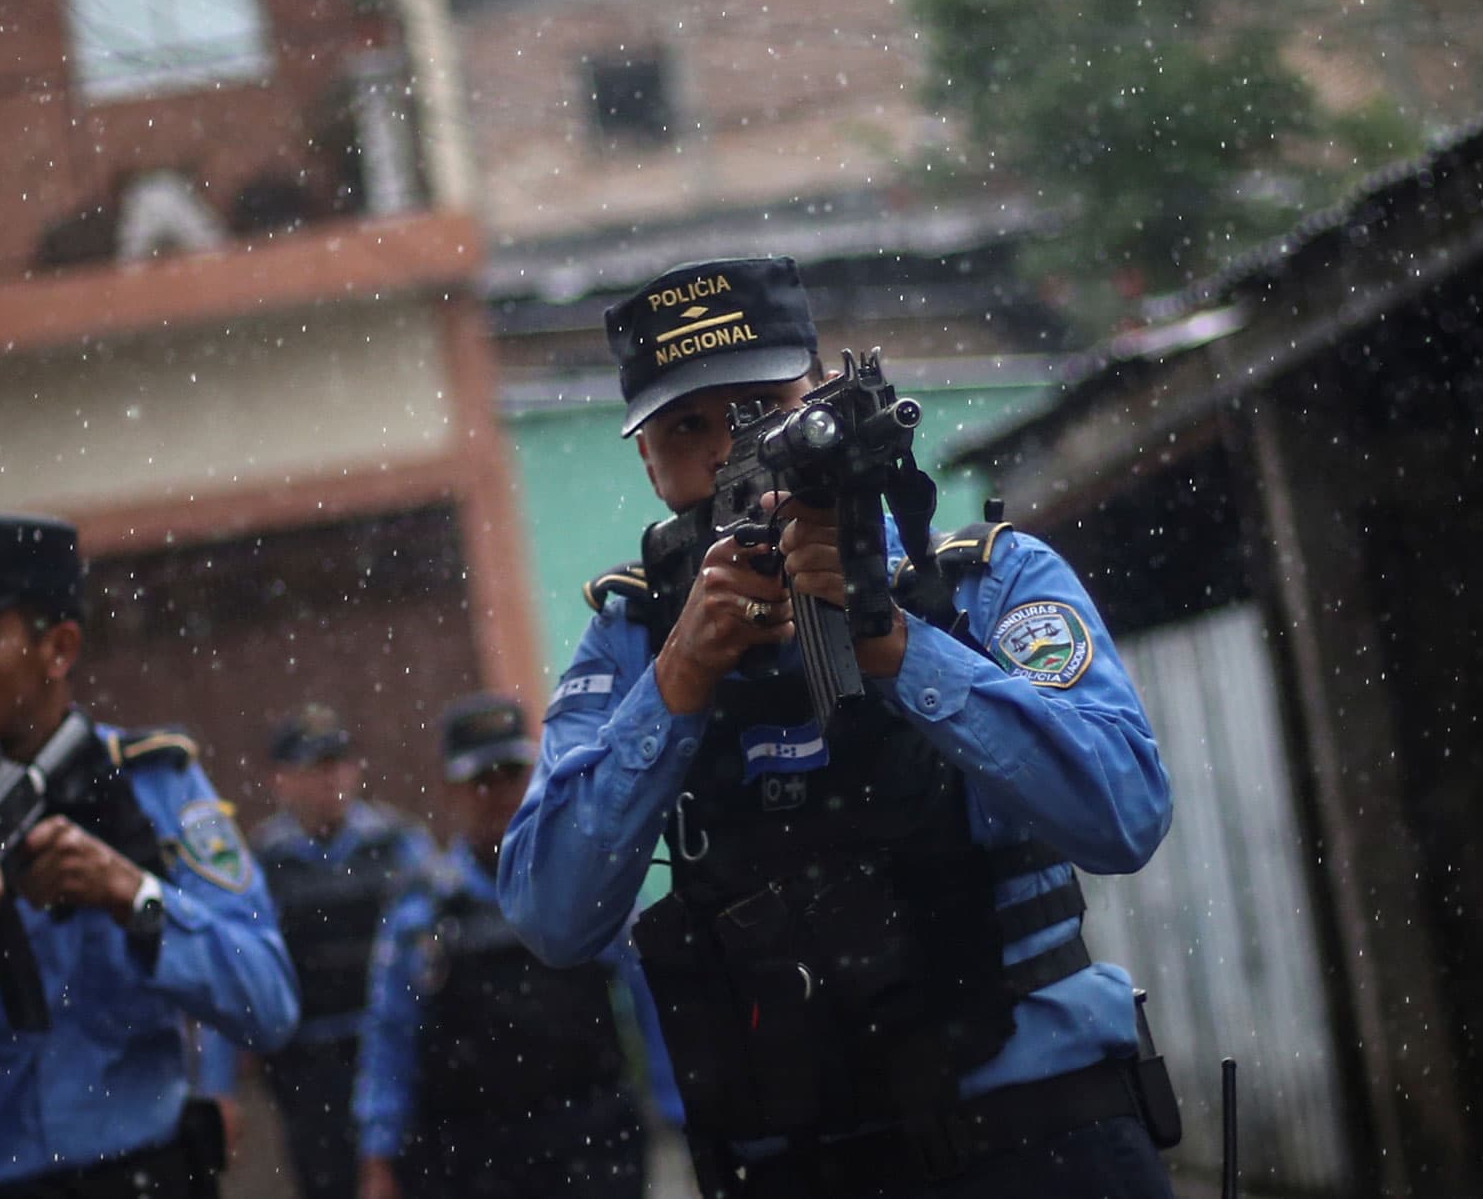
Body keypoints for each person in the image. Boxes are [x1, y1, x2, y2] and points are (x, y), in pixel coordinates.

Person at [497, 257, 1177, 1198]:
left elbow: (1124, 814)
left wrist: (896, 642)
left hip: (1039, 1137)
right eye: (687, 426)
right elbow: (552, 915)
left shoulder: (984, 580)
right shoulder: (630, 639)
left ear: (819, 395)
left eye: (761, 405)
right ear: (648, 461)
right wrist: (680, 678)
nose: (729, 448)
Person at [0, 513, 299, 1199]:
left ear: (59, 647)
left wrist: (134, 895)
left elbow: (267, 1007)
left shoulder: (154, 783)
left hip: (137, 1176)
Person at [354, 693, 676, 1199]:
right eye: (481, 780)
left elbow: (653, 996)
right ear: (450, 790)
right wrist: (379, 1154)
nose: (498, 793)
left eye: (510, 774)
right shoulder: (422, 912)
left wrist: (682, 1109)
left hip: (595, 1142)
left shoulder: (591, 885)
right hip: (478, 1157)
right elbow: (391, 1036)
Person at [199, 704, 434, 1199]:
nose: (331, 780)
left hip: (403, 1052)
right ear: (281, 780)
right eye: (315, 768)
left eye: (338, 764)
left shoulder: (399, 845)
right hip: (312, 1068)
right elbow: (231, 971)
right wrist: (217, 1088)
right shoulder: (260, 865)